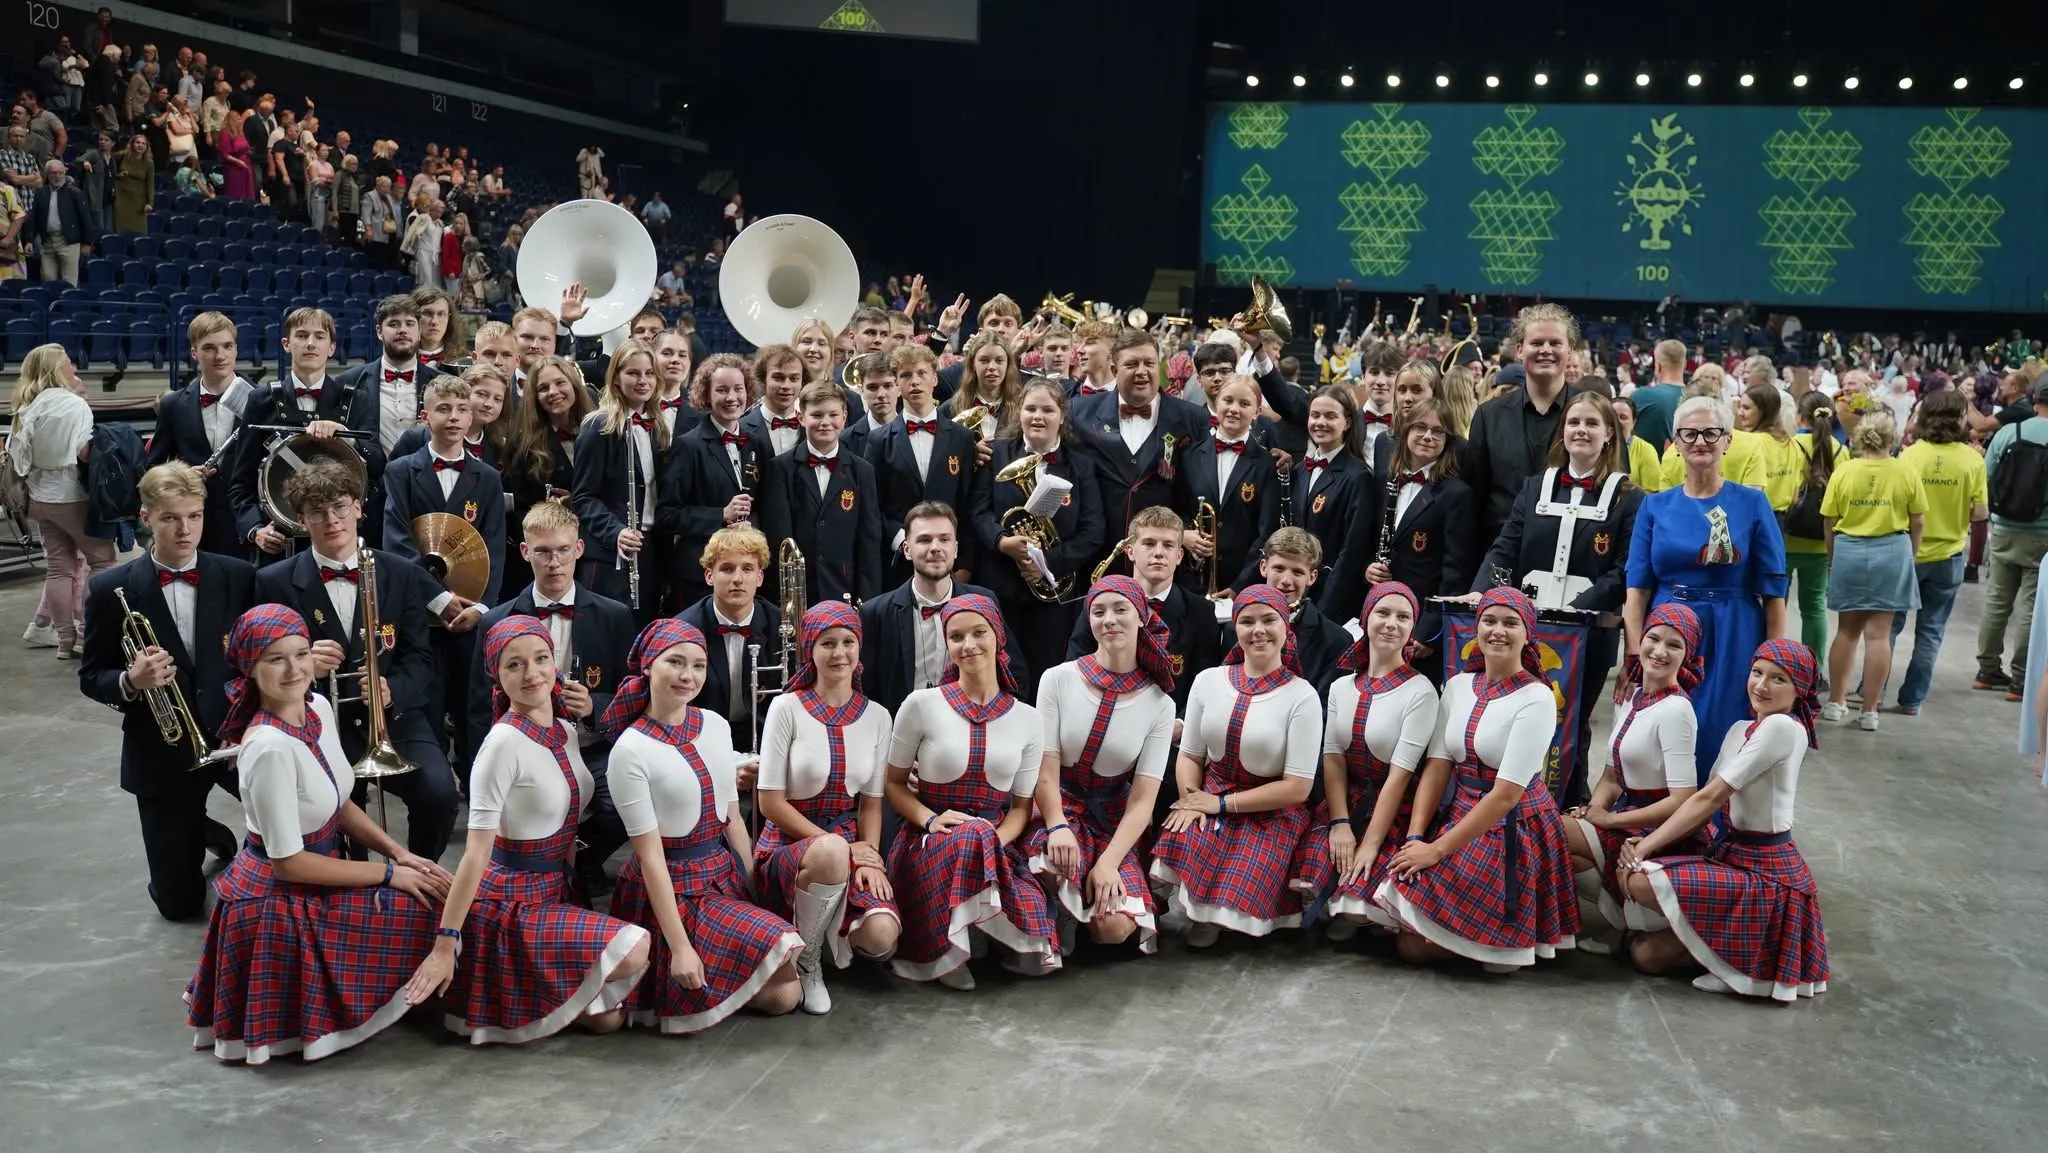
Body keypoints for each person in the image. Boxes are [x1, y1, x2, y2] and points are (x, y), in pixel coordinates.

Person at [183, 604, 451, 1063]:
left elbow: (336, 802)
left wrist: (398, 853)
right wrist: (389, 876)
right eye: (275, 659)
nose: (294, 670)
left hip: (321, 872)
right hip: (283, 900)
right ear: (249, 670)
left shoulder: (318, 708)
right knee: (427, 907)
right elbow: (288, 864)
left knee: (436, 894)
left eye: (301, 654)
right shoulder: (267, 750)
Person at [405, 616, 652, 1041]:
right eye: (514, 665)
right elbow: (475, 854)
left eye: (540, 659)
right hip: (510, 901)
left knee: (609, 1020)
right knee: (634, 949)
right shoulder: (501, 744)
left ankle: (528, 978)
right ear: (497, 676)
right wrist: (446, 943)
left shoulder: (565, 731)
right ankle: (508, 962)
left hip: (557, 888)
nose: (532, 673)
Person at [597, 617, 804, 1030]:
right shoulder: (630, 750)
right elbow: (650, 858)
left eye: (697, 665)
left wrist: (751, 887)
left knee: (786, 991)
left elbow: (732, 819)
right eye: (674, 662)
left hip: (720, 877)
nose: (687, 676)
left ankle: (722, 963)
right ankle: (680, 969)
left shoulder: (715, 724)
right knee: (782, 978)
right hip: (671, 892)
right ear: (649, 666)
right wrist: (679, 948)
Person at [252, 458, 461, 861]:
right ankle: (355, 885)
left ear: (359, 507)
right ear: (301, 520)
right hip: (316, 722)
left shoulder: (402, 572)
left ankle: (417, 872)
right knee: (335, 809)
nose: (332, 520)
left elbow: (420, 657)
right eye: (318, 512)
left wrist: (392, 689)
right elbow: (260, 668)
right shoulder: (273, 582)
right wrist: (303, 666)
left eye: (340, 507)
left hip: (395, 718)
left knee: (439, 794)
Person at [78, 464, 257, 920]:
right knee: (179, 906)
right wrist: (129, 682)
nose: (185, 529)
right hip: (162, 748)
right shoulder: (108, 588)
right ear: (146, 517)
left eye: (194, 516)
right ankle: (199, 828)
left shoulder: (238, 575)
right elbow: (92, 673)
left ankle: (196, 827)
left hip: (232, 736)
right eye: (171, 518)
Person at [1376, 587, 1579, 970]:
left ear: (1527, 633)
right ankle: (1476, 937)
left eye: (1510, 623)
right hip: (1462, 813)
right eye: (1489, 621)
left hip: (1513, 825)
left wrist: (1437, 851)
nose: (1498, 631)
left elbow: (1505, 796)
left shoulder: (1537, 698)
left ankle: (1500, 940)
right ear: (1476, 627)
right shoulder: (1457, 687)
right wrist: (1417, 837)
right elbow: (1437, 768)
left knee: (1414, 947)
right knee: (1399, 913)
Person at [1616, 640, 1830, 1002]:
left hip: (1767, 874)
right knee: (1643, 954)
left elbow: (1710, 797)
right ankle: (1731, 947)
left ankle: (1752, 951)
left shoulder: (1785, 728)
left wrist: (1645, 845)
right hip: (1730, 856)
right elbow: (1707, 808)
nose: (1761, 686)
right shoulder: (1740, 729)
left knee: (1640, 890)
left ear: (1800, 690)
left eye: (1778, 679)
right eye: (1757, 673)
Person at [1467, 389, 1641, 804]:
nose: (1581, 431)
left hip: (1588, 633)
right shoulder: (1534, 488)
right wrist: (1484, 592)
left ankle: (1567, 807)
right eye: (1574, 423)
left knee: (1573, 722)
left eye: (1592, 423)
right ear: (1562, 433)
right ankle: (1506, 807)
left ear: (1609, 436)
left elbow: (1625, 568)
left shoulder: (1628, 497)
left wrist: (1574, 611)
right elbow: (1505, 547)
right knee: (1517, 715)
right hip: (1525, 629)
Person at [883, 595, 1056, 988]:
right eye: (956, 637)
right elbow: (892, 784)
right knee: (968, 837)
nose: (969, 645)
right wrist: (929, 819)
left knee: (1032, 952)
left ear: (998, 637)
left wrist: (990, 842)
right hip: (926, 844)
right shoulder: (921, 705)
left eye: (979, 633)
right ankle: (946, 952)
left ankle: (981, 927)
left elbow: (1020, 808)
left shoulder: (1028, 719)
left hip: (994, 844)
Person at [468, 499, 635, 897]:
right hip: (526, 749)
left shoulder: (613, 615)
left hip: (592, 746)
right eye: (543, 552)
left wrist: (596, 705)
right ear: (525, 553)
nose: (554, 562)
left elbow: (633, 694)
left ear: (580, 549)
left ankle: (580, 859)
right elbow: (477, 702)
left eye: (563, 550)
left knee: (624, 802)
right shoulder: (497, 620)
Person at [1150, 584, 1320, 947]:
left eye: (1268, 620)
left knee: (1240, 890)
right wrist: (1192, 801)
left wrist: (1222, 805)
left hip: (1271, 813)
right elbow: (1191, 754)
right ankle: (1192, 908)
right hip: (1210, 794)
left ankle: (1224, 913)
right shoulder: (1208, 680)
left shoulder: (1302, 695)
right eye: (1247, 621)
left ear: (1285, 626)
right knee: (1185, 834)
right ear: (1235, 628)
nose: (1258, 630)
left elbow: (1298, 787)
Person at [1625, 396, 1788, 771]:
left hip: (1733, 632)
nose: (1700, 441)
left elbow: (1774, 592)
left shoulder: (1752, 503)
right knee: (1658, 730)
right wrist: (1635, 652)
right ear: (1676, 443)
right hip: (1667, 633)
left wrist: (1773, 661)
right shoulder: (1653, 506)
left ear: (1728, 440)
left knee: (1720, 728)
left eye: (1711, 433)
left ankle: (1710, 821)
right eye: (1690, 433)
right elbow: (1636, 591)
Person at [756, 602, 902, 1012]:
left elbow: (871, 805)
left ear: (860, 649)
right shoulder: (787, 708)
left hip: (849, 844)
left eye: (848, 642)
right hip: (787, 845)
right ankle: (808, 959)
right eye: (827, 643)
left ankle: (826, 932)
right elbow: (769, 802)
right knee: (833, 851)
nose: (839, 653)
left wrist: (870, 858)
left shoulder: (877, 716)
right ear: (810, 650)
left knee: (882, 935)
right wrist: (839, 846)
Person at [1028, 576, 1177, 955]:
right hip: (1057, 805)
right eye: (1098, 611)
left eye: (1120, 609)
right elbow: (1044, 768)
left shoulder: (1160, 703)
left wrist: (1110, 862)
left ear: (1142, 617)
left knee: (1112, 929)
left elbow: (1143, 801)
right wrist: (1058, 824)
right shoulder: (1058, 679)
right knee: (1051, 863)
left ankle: (1085, 910)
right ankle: (1058, 911)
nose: (1109, 619)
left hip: (1113, 819)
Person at [1289, 582, 1439, 938]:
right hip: (1343, 803)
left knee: (1357, 906)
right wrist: (1340, 823)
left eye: (1403, 617)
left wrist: (1369, 844)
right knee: (1306, 878)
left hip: (1391, 811)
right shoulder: (1342, 686)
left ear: (1411, 629)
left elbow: (1399, 778)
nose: (1391, 623)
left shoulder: (1421, 691)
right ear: (1367, 618)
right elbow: (1334, 760)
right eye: (1383, 613)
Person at [1563, 602, 1700, 945]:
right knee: (1560, 843)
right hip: (1623, 815)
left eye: (1675, 645)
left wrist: (1608, 822)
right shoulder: (1631, 695)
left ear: (1688, 656)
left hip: (1654, 827)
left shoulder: (1677, 710)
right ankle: (1615, 919)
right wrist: (1595, 808)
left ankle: (1555, 927)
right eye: (1653, 638)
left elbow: (1683, 800)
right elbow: (1612, 775)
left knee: (1546, 829)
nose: (1660, 651)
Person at [969, 378, 1105, 692]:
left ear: (1062, 417)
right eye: (1030, 409)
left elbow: (1093, 530)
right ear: (1019, 413)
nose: (1038, 417)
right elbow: (978, 511)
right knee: (1002, 674)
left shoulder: (1081, 466)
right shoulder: (996, 453)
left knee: (1049, 674)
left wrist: (1046, 561)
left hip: (1055, 596)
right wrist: (1003, 542)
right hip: (1002, 585)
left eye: (1047, 409)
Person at [1818, 411, 1925, 731]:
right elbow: (1917, 520)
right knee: (1879, 635)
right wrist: (1912, 555)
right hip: (1892, 552)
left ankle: (1836, 703)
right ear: (1892, 438)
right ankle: (1869, 711)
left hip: (1849, 551)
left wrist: (1833, 556)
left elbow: (1829, 520)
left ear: (1859, 436)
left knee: (1846, 631)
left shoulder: (1845, 471)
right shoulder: (1905, 471)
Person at [1062, 506, 1223, 715]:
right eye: (1149, 543)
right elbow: (1075, 668)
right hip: (1104, 721)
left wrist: (1182, 723)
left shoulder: (1201, 611)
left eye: (1168, 545)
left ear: (1179, 555)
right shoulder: (1100, 603)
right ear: (1130, 551)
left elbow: (1205, 681)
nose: (1158, 552)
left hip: (1171, 735)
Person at [8, 346, 115, 659]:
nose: (73, 367)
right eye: (68, 363)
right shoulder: (73, 404)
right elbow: (83, 452)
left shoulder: (27, 405)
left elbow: (19, 459)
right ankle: (87, 633)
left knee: (58, 569)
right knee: (102, 562)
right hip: (72, 496)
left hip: (39, 497)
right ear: (57, 369)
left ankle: (64, 641)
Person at [859, 502, 1011, 715]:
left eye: (944, 539)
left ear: (955, 549)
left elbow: (1012, 673)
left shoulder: (984, 601)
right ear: (907, 549)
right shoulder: (875, 613)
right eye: (924, 540)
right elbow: (867, 691)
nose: (935, 547)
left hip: (971, 727)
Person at [1887, 391, 1986, 715]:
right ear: (1960, 419)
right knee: (1930, 632)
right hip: (1949, 556)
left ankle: (1871, 690)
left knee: (1888, 627)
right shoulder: (1973, 459)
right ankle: (1912, 699)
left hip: (1908, 553)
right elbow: (1980, 513)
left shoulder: (1910, 456)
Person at [1068, 329, 1211, 542]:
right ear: (1115, 370)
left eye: (1149, 363)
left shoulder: (1192, 417)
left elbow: (1201, 488)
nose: (1141, 371)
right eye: (1132, 364)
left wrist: (1182, 533)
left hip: (1164, 555)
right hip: (1098, 552)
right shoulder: (1078, 412)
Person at [1368, 398, 1475, 680]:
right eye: (1420, 427)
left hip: (1419, 626)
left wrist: (1429, 630)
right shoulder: (1383, 481)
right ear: (1405, 432)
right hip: (1378, 615)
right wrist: (1368, 568)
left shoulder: (1456, 494)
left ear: (1447, 440)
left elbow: (1455, 571)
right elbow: (1365, 542)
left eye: (1437, 431)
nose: (1428, 436)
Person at [1462, 304, 1580, 550]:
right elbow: (1472, 502)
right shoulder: (1488, 416)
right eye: (1536, 343)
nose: (1545, 350)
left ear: (1569, 352)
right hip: (1499, 561)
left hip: (1573, 560)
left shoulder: (1596, 415)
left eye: (1555, 343)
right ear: (1519, 351)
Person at [758, 381, 885, 607]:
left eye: (833, 415)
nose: (825, 422)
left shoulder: (862, 471)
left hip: (843, 588)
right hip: (798, 593)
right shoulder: (780, 468)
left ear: (844, 417)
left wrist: (868, 601)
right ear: (801, 417)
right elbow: (780, 540)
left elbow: (869, 542)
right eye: (816, 415)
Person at [659, 354, 769, 612]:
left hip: (744, 572)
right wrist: (721, 514)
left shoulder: (757, 443)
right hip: (699, 574)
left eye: (738, 389)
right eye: (721, 390)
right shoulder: (688, 445)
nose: (732, 397)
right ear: (706, 395)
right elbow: (667, 514)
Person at [867, 344, 983, 582]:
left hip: (951, 562)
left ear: (935, 379)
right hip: (899, 561)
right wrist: (902, 541)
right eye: (906, 375)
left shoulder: (962, 437)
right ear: (897, 384)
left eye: (921, 373)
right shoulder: (879, 440)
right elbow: (873, 505)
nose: (915, 381)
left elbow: (969, 503)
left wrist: (966, 563)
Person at [572, 340, 666, 615]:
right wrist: (616, 532)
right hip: (610, 552)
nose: (643, 380)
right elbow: (583, 496)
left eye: (649, 373)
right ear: (615, 378)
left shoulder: (658, 428)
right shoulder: (597, 426)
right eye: (633, 373)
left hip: (649, 549)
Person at [1174, 374, 1282, 603]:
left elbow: (1266, 533)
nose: (1234, 409)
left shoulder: (1267, 466)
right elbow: (1178, 507)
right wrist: (1184, 534)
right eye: (1228, 400)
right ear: (1216, 403)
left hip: (1242, 582)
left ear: (1257, 412)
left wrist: (1240, 584)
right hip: (1192, 576)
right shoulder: (1189, 455)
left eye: (1244, 404)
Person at [1975, 377, 2048, 700]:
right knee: (2031, 608)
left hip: (2004, 530)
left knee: (1997, 601)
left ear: (2035, 399)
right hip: (2043, 534)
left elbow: (1986, 478)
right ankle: (2021, 679)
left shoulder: (2008, 432)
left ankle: (1987, 670)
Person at [1782, 394, 1841, 662]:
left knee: (1774, 605)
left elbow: (1788, 494)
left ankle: (1768, 662)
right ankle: (1814, 668)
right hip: (1821, 542)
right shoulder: (1841, 449)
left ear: (1800, 416)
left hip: (1785, 540)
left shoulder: (1790, 446)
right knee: (1814, 607)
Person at [112, 133, 154, 233]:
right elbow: (107, 163)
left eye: (143, 144)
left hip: (138, 199)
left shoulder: (149, 163)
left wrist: (150, 202)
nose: (140, 145)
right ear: (132, 144)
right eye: (138, 142)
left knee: (138, 229)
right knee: (120, 226)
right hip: (121, 196)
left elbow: (150, 184)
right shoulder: (122, 156)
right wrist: (118, 175)